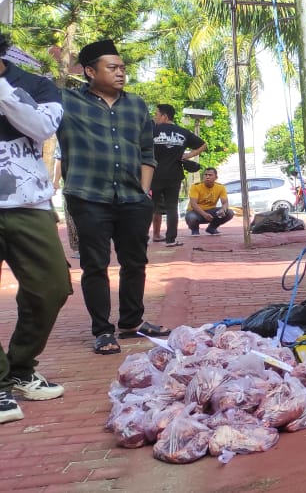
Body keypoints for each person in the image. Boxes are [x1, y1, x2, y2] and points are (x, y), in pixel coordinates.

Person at [57, 39, 170, 355]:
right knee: (95, 265)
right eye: (112, 67)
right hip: (88, 196)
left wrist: (143, 192)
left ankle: (132, 322)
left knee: (135, 262)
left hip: (132, 199)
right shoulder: (66, 102)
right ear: (90, 72)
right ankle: (103, 331)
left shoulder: (136, 105)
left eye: (122, 67)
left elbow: (147, 151)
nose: (121, 73)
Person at [0, 31, 71, 423]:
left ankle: (20, 367)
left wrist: (2, 88)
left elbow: (41, 128)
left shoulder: (36, 85)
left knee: (52, 287)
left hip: (28, 203)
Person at [150, 103, 206, 247]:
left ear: (164, 116)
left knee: (149, 207)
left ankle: (142, 239)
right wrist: (187, 155)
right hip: (174, 175)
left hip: (153, 174)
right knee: (171, 207)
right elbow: (203, 145)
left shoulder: (152, 131)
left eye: (156, 114)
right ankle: (170, 240)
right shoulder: (182, 132)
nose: (155, 117)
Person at [50, 142, 79, 258]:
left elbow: (59, 159)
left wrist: (55, 181)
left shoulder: (64, 134)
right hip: (93, 183)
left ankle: (80, 248)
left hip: (71, 183)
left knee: (72, 215)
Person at [185, 167, 233, 235]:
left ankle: (212, 228)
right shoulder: (195, 186)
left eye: (210, 175)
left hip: (211, 211)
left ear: (216, 177)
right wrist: (204, 214)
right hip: (195, 212)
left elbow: (225, 202)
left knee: (229, 212)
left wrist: (223, 210)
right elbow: (193, 204)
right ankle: (195, 230)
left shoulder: (221, 187)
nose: (207, 177)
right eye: (205, 175)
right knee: (192, 217)